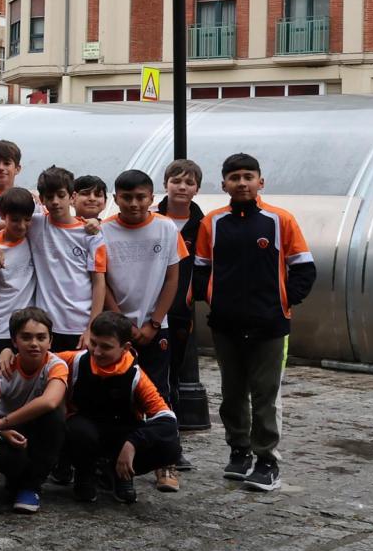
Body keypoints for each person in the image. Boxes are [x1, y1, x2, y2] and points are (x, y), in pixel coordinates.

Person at [192, 152, 314, 494]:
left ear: (261, 181)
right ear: (224, 184)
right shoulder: (212, 222)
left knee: (265, 395)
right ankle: (239, 451)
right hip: (226, 324)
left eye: (248, 176)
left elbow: (304, 268)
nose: (241, 182)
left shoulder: (280, 220)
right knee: (232, 393)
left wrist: (283, 301)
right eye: (234, 177)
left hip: (270, 325)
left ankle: (266, 460)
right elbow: (200, 269)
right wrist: (213, 298)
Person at [91, 168, 187, 492]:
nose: (134, 203)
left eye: (140, 197)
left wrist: (154, 322)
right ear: (116, 199)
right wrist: (123, 325)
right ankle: (118, 465)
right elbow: (102, 281)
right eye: (127, 197)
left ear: (151, 198)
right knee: (121, 396)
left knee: (159, 393)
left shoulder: (166, 228)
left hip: (156, 327)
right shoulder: (104, 231)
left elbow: (172, 279)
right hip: (118, 330)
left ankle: (165, 463)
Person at [57, 311, 183, 504]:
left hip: (121, 436)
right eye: (93, 343)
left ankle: (120, 474)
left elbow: (167, 419)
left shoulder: (137, 377)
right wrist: (8, 353)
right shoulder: (75, 360)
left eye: (106, 347)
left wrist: (133, 444)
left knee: (170, 447)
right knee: (77, 431)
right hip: (84, 432)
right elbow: (40, 358)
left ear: (126, 348)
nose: (97, 352)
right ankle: (85, 472)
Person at [0, 308, 69, 514]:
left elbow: (50, 401)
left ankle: (31, 486)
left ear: (50, 341)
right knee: (6, 456)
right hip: (3, 432)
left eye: (41, 337)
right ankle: (16, 479)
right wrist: (2, 429)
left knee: (55, 416)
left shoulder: (56, 364)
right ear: (14, 341)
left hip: (30, 427)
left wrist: (4, 422)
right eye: (26, 337)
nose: (34, 343)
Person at [156, 157, 205, 476]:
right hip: (147, 314)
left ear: (197, 188)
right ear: (166, 185)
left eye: (189, 182)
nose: (182, 187)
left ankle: (172, 446)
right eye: (177, 181)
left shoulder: (205, 225)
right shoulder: (150, 218)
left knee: (173, 380)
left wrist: (194, 296)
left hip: (181, 315)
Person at [30, 165, 101, 351]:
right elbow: (0, 224)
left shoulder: (91, 233)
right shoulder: (35, 224)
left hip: (80, 325)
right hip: (45, 326)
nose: (55, 201)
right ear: (42, 199)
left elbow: (99, 283)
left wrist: (91, 327)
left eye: (61, 195)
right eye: (49, 197)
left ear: (72, 197)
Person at [0, 188, 39, 368]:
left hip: (27, 329)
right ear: (2, 215)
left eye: (27, 220)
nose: (22, 226)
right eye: (15, 220)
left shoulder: (33, 235)